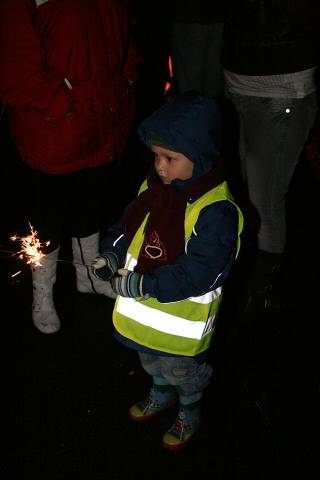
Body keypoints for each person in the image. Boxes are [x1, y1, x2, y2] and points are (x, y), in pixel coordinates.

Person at [91, 92, 243, 450]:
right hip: (145, 317)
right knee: (150, 360)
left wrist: (145, 283)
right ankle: (161, 392)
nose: (160, 167)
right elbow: (127, 230)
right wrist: (110, 257)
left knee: (183, 373)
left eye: (170, 158)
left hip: (181, 326)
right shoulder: (155, 189)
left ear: (200, 155)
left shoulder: (216, 211)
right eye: (157, 156)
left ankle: (189, 407)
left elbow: (200, 272)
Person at [0, 0, 142, 334]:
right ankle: (42, 290)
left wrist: (127, 79)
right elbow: (14, 63)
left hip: (102, 120)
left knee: (90, 209)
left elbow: (127, 36)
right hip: (51, 128)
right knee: (46, 216)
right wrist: (61, 102)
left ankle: (89, 277)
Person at [221, 0, 319, 311]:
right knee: (240, 192)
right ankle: (242, 278)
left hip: (283, 85)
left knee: (264, 200)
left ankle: (259, 289)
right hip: (237, 79)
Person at [171, 1, 226, 102]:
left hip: (189, 17)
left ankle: (195, 110)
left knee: (190, 82)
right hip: (219, 17)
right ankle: (209, 109)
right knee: (213, 75)